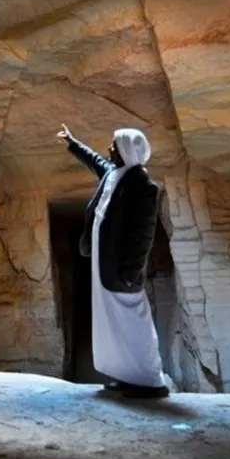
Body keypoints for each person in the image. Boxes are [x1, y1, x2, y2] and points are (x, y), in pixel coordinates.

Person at [58, 123, 169, 399]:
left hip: (122, 270)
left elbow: (142, 235)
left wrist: (130, 273)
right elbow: (95, 160)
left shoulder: (143, 186)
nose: (110, 148)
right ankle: (128, 377)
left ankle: (151, 382)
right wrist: (73, 143)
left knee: (134, 323)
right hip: (105, 264)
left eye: (115, 145)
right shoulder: (113, 174)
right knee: (113, 324)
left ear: (127, 151)